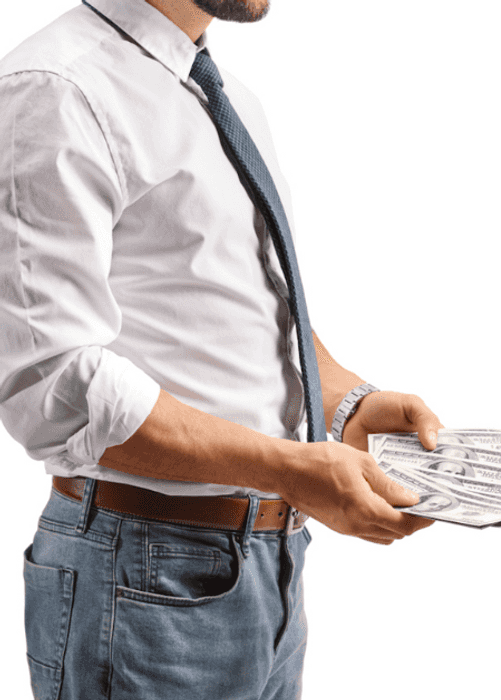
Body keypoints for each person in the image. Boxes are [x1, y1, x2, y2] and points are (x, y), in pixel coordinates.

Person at [0, 0, 447, 697]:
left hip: (268, 566)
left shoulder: (222, 94)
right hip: (143, 572)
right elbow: (54, 386)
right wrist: (290, 468)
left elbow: (245, 308)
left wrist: (345, 404)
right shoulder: (57, 88)